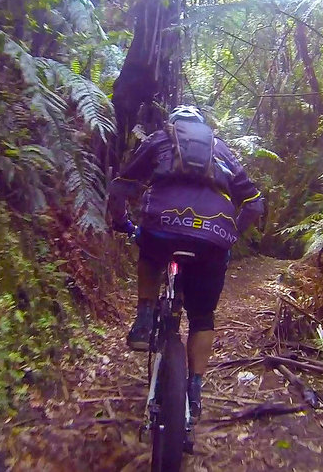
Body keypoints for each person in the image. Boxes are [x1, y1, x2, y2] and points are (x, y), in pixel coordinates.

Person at [107, 104, 264, 423]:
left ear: (174, 124)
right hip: (213, 238)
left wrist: (122, 223)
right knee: (203, 317)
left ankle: (144, 319)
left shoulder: (159, 139)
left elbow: (121, 186)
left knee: (149, 250)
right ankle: (194, 389)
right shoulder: (222, 150)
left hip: (162, 227)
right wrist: (231, 232)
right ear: (203, 129)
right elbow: (254, 204)